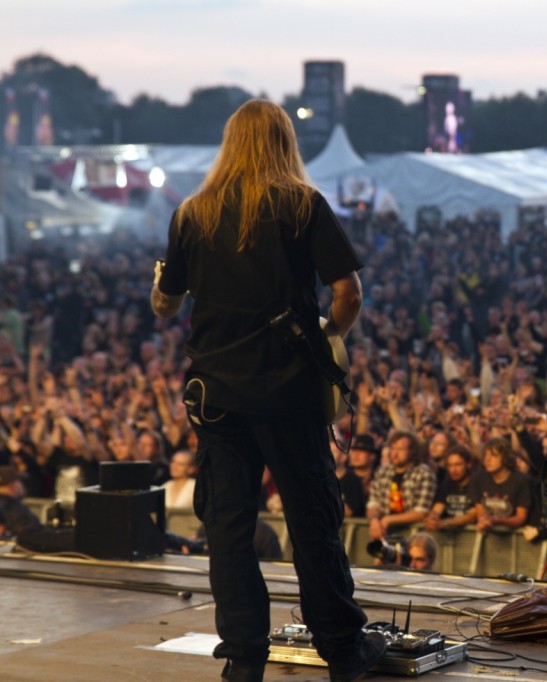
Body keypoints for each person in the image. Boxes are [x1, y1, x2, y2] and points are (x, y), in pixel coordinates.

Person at [151, 100, 384, 682]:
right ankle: (343, 653)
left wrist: (161, 286)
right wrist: (330, 337)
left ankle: (244, 658)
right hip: (287, 388)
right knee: (312, 519)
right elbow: (348, 293)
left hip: (216, 392)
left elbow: (165, 302)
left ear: (230, 144)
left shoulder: (192, 213)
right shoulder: (302, 205)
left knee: (227, 525)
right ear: (285, 142)